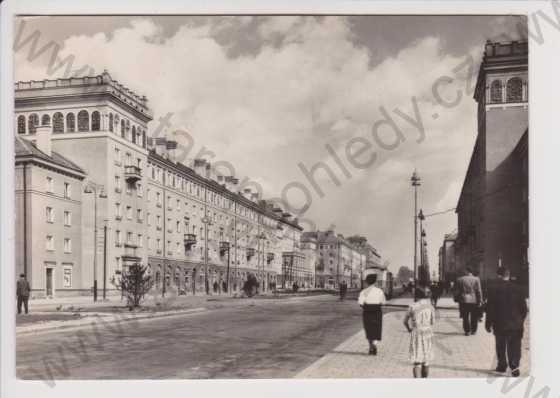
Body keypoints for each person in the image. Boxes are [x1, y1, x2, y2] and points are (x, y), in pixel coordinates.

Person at [485, 267, 528, 377]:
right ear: (508, 275)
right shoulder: (518, 288)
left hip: (499, 323)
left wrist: (488, 323)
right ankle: (514, 366)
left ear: (498, 275)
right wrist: (520, 320)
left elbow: (490, 309)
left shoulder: (493, 289)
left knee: (500, 344)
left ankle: (502, 365)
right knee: (515, 345)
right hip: (516, 324)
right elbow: (524, 309)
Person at [403, 287, 435, 378]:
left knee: (417, 361)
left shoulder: (412, 306)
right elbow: (433, 322)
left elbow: (404, 321)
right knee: (426, 360)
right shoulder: (430, 306)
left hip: (416, 332)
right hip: (427, 333)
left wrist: (409, 329)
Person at [358, 274, 386, 355]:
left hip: (367, 312)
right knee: (376, 330)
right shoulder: (379, 291)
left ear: (367, 282)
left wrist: (366, 307)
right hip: (377, 312)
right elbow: (383, 303)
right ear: (375, 282)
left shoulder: (364, 292)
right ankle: (374, 344)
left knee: (369, 330)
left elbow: (360, 303)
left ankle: (371, 347)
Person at [455, 267, 483, 335]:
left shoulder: (460, 279)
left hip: (464, 300)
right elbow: (479, 291)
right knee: (474, 316)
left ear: (466, 271)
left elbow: (457, 291)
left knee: (465, 316)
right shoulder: (476, 279)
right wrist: (480, 300)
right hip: (474, 300)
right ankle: (474, 330)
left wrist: (456, 299)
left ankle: (467, 331)